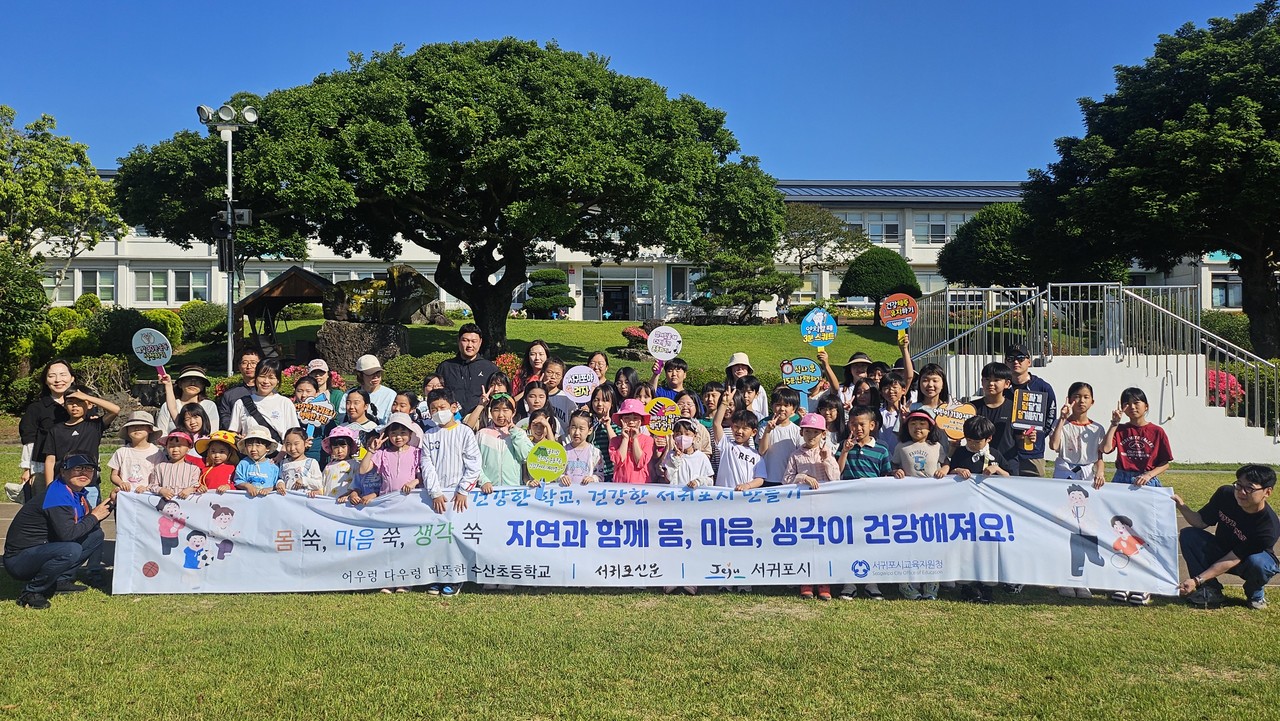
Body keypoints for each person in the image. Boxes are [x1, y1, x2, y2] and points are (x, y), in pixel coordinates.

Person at [3, 454, 112, 608]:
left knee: (95, 535)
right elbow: (68, 534)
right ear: (63, 471)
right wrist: (95, 516)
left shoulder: (73, 492)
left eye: (89, 469)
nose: (84, 473)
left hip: (41, 548)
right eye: (78, 468)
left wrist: (111, 502)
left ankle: (61, 580)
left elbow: (86, 524)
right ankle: (31, 592)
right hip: (19, 559)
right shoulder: (57, 496)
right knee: (71, 549)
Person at [1175, 464, 1279, 610]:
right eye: (1238, 485)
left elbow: (1232, 559)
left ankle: (1255, 593)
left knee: (1260, 565)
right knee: (1189, 535)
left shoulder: (1268, 527)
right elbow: (1200, 521)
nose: (1241, 492)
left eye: (1249, 488)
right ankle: (1210, 590)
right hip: (1221, 550)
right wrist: (1181, 506)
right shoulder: (1225, 494)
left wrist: (1196, 580)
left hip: (1247, 561)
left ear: (1267, 492)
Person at [43, 387, 120, 505]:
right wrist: (50, 487)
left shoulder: (94, 426)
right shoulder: (56, 430)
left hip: (88, 485)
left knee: (89, 519)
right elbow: (50, 460)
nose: (74, 406)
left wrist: (87, 397)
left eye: (79, 402)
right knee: (64, 519)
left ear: (89, 405)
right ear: (64, 405)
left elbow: (115, 410)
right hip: (62, 484)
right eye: (70, 402)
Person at [15, 359, 77, 502]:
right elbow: (29, 439)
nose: (58, 380)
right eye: (52, 376)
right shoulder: (36, 408)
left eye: (63, 374)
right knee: (45, 510)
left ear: (72, 378)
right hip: (43, 469)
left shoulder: (83, 404)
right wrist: (27, 469)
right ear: (45, 380)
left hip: (77, 468)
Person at [421, 388, 481, 517]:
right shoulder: (428, 435)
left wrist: (463, 490)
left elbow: (474, 463)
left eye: (442, 407)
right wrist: (435, 492)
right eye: (434, 409)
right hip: (437, 496)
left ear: (453, 407)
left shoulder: (465, 432)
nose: (438, 412)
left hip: (461, 496)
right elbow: (427, 466)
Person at [1102, 387, 1173, 488]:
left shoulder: (1157, 431)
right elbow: (1106, 449)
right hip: (1121, 479)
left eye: (1136, 402)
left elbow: (1165, 463)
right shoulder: (1119, 429)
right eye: (1127, 403)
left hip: (1146, 479)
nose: (1132, 407)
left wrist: (1149, 475)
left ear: (1146, 406)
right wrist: (1114, 423)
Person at [1003, 344, 1057, 477]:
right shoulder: (1001, 387)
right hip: (1004, 452)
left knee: (1035, 491)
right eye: (1011, 358)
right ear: (1005, 362)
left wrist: (1039, 434)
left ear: (1029, 361)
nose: (1016, 362)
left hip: (1032, 453)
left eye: (1020, 358)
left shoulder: (1043, 387)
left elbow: (1050, 417)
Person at [738, 387, 802, 490]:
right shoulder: (764, 426)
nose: (782, 409)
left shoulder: (797, 431)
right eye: (778, 405)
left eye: (786, 405)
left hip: (789, 479)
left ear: (793, 409)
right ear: (772, 406)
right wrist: (767, 431)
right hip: (767, 478)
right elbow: (762, 451)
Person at [227, 359, 300, 444]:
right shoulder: (241, 403)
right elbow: (233, 433)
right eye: (262, 376)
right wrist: (238, 439)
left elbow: (293, 435)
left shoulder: (285, 403)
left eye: (271, 377)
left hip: (279, 455)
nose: (266, 381)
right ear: (256, 377)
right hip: (249, 455)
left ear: (278, 380)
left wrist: (279, 457)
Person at [1049, 381, 1106, 486]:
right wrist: (1062, 419)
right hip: (1064, 471)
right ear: (1070, 400)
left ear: (1092, 402)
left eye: (1086, 397)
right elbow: (1054, 446)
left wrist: (1100, 472)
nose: (1081, 401)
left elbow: (1099, 456)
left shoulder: (1097, 428)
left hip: (1087, 474)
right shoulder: (1060, 423)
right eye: (1077, 396)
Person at [436, 323, 500, 416]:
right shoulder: (445, 367)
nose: (470, 345)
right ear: (458, 341)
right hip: (452, 420)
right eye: (465, 340)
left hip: (481, 420)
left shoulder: (490, 368)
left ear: (480, 342)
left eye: (474, 341)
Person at [475, 393, 535, 490]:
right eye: (496, 410)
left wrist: (514, 433)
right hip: (488, 491)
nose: (501, 415)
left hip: (513, 490)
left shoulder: (520, 433)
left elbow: (525, 457)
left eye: (506, 410)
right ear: (490, 412)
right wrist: (483, 481)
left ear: (513, 412)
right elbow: (474, 462)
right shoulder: (482, 434)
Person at [108, 411, 164, 494]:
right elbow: (114, 475)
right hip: (126, 494)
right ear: (127, 430)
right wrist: (121, 483)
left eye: (142, 426)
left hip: (148, 494)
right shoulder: (121, 452)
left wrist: (147, 487)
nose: (137, 428)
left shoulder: (156, 453)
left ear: (150, 429)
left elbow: (160, 476)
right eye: (132, 426)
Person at [157, 366, 219, 434]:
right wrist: (168, 384)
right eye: (188, 380)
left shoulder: (209, 405)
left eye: (198, 381)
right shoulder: (181, 427)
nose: (193, 383)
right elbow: (172, 409)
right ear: (180, 384)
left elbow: (213, 432)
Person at [609, 398, 655, 484]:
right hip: (620, 486)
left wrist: (635, 439)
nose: (631, 422)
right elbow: (618, 460)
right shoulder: (615, 440)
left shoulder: (648, 440)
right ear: (621, 420)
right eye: (627, 418)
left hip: (641, 486)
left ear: (641, 421)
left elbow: (640, 462)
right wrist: (625, 438)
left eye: (635, 418)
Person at [146, 431, 202, 500]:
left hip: (186, 506)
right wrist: (161, 490)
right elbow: (152, 485)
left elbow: (196, 486)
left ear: (189, 447)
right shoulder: (160, 467)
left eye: (179, 446)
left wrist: (190, 490)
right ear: (166, 447)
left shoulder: (194, 468)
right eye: (171, 446)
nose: (175, 449)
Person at [342, 355, 396, 425]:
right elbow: (342, 420)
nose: (376, 376)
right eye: (371, 373)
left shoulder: (391, 395)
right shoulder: (349, 395)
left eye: (378, 372)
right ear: (360, 375)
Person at [216, 348, 261, 430]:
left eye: (253, 363)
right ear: (239, 367)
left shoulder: (268, 392)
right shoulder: (229, 395)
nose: (249, 366)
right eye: (244, 363)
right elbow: (225, 418)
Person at [234, 427, 283, 497]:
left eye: (258, 445)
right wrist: (247, 486)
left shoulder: (273, 465)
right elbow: (238, 481)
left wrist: (269, 489)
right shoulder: (243, 464)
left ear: (268, 447)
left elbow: (277, 482)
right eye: (249, 445)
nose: (253, 449)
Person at [278, 428, 323, 493]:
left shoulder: (311, 462)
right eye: (288, 444)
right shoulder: (283, 463)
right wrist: (280, 483)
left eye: (296, 444)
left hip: (304, 501)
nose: (292, 448)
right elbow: (281, 478)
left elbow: (319, 484)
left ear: (306, 443)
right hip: (287, 500)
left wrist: (304, 481)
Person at [725, 353, 768, 419]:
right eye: (736, 365)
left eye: (743, 365)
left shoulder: (759, 388)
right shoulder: (724, 387)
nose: (740, 368)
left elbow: (764, 411)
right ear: (731, 368)